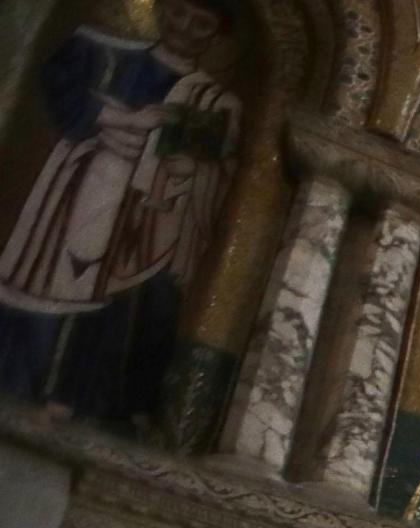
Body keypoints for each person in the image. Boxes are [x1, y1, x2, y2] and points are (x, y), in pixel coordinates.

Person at [0, 0, 240, 426]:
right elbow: (62, 92)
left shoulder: (210, 98)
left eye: (202, 22)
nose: (185, 27)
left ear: (216, 36)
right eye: (180, 12)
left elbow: (214, 169)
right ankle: (22, 381)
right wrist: (126, 121)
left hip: (151, 219)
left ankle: (81, 401)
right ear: (162, 10)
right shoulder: (109, 54)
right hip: (80, 193)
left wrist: (192, 171)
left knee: (119, 305)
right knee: (52, 283)